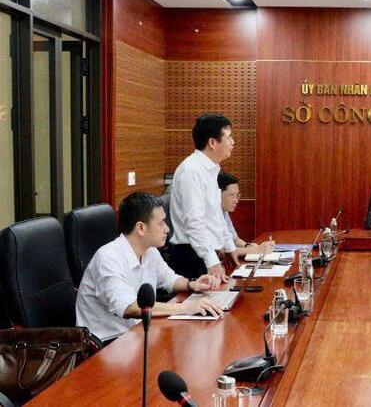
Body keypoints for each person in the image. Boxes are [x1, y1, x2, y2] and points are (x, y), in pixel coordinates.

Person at [76, 192, 224, 343]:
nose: (167, 229)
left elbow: (170, 280)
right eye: (161, 223)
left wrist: (192, 284)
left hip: (138, 332)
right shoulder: (108, 258)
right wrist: (187, 307)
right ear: (141, 227)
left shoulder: (150, 251)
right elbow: (129, 307)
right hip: (108, 342)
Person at [168, 113, 241, 280]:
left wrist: (230, 247)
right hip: (192, 256)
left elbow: (216, 216)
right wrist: (211, 261)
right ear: (213, 143)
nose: (233, 142)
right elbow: (194, 223)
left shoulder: (210, 169)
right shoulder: (191, 170)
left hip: (205, 254)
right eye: (228, 137)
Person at [218, 171, 273, 264]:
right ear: (217, 194)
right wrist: (256, 250)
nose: (236, 201)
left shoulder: (224, 212)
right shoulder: (207, 215)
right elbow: (221, 252)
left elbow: (235, 239)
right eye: (232, 195)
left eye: (237, 196)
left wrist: (248, 246)